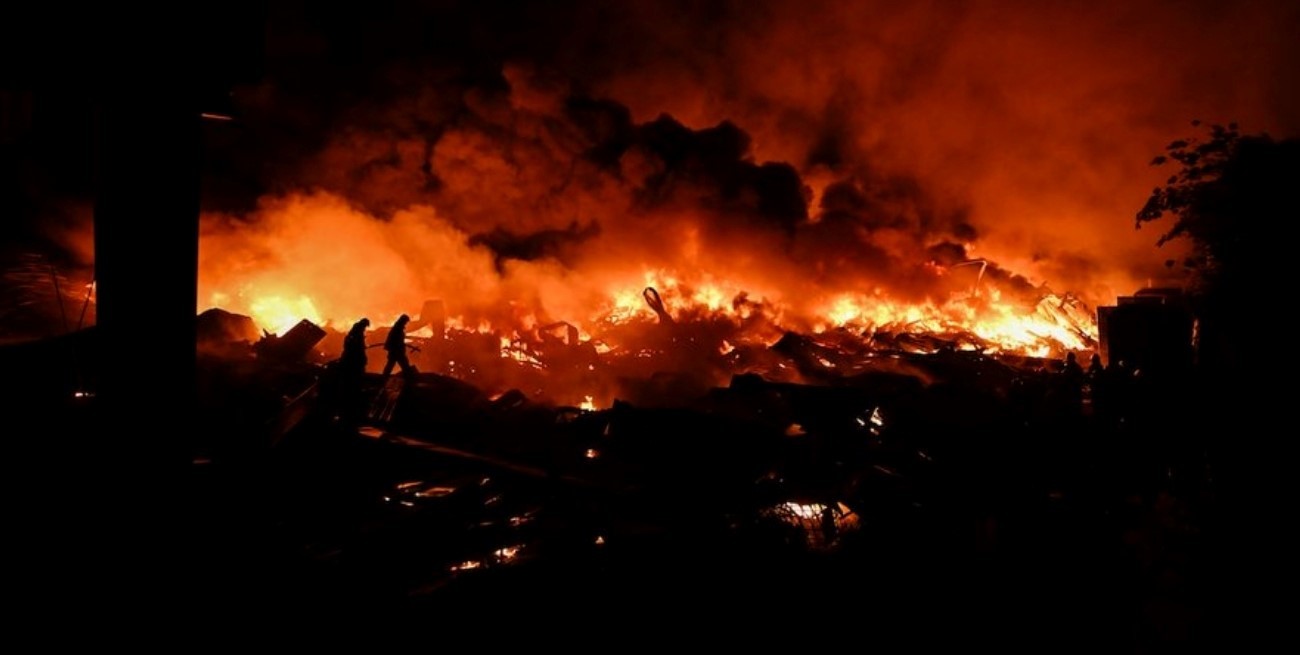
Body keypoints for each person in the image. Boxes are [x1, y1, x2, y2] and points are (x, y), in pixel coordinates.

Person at [382, 314, 414, 379]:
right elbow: (396, 340)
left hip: (395, 351)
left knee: (391, 364)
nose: (406, 323)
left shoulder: (397, 328)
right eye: (406, 322)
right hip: (397, 351)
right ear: (403, 321)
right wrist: (400, 347)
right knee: (404, 364)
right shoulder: (397, 329)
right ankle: (409, 378)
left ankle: (384, 377)